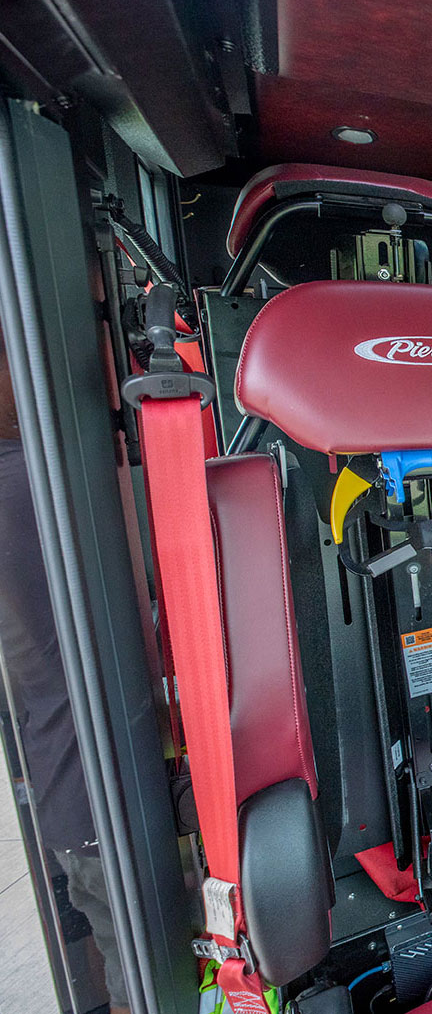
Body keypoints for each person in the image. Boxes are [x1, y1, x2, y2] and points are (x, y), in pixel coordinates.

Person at [0, 346, 128, 1014]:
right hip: (102, 793)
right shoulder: (32, 482)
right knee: (147, 972)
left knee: (124, 963)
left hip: (69, 792)